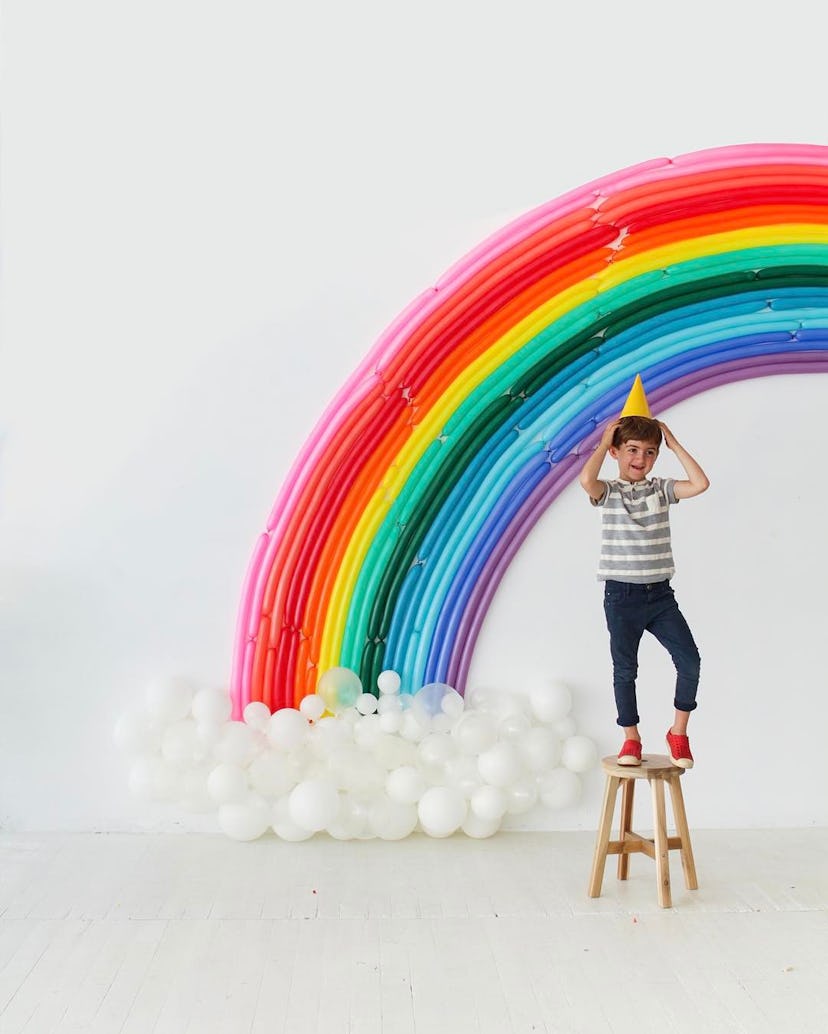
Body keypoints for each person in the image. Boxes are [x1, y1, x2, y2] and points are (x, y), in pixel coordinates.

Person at [578, 410, 710, 768]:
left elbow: (699, 484)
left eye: (650, 452)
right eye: (632, 450)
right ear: (617, 453)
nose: (641, 459)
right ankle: (631, 738)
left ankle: (678, 733)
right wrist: (605, 440)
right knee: (625, 669)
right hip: (621, 596)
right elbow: (586, 480)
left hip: (660, 596)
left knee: (689, 660)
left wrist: (676, 445)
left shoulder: (661, 489)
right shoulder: (609, 492)